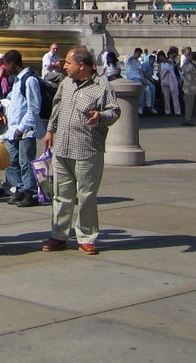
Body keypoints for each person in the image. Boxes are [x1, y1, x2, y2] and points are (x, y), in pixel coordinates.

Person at [41, 46, 120, 254]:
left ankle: (86, 236)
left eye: (68, 63)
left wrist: (101, 116)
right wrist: (50, 130)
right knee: (61, 195)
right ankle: (58, 235)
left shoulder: (102, 87)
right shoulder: (66, 83)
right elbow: (57, 106)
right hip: (62, 148)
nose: (63, 65)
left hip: (87, 149)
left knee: (86, 196)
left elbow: (114, 111)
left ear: (81, 66)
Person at [0, 50, 43, 207]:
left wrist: (22, 127)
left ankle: (29, 192)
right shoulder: (17, 80)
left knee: (26, 162)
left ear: (12, 63)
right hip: (13, 130)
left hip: (26, 130)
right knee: (11, 160)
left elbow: (34, 108)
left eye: (5, 64)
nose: (4, 68)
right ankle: (19, 188)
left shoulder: (29, 80)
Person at [180, 47, 196, 127]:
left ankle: (188, 119)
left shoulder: (189, 66)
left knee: (189, 105)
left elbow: (182, 69)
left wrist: (187, 61)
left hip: (189, 88)